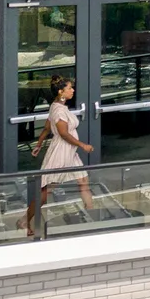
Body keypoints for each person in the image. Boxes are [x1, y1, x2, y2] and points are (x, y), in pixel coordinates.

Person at [21, 75, 94, 236]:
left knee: (83, 181)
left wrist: (39, 144)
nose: (73, 90)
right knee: (46, 190)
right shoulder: (59, 110)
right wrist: (83, 145)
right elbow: (63, 134)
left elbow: (47, 127)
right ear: (61, 91)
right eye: (69, 88)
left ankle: (92, 215)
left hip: (70, 152)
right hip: (62, 152)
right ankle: (24, 220)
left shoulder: (57, 106)